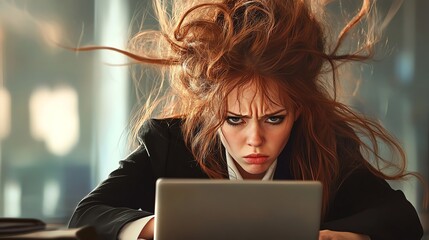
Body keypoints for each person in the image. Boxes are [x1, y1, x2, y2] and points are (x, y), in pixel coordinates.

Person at [68, 0, 424, 239]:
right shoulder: (168, 143)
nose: (255, 139)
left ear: (297, 111)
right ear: (211, 114)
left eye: (274, 118)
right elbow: (87, 215)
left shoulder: (324, 142)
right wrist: (158, 227)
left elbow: (401, 218)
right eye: (235, 120)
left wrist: (336, 235)